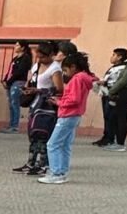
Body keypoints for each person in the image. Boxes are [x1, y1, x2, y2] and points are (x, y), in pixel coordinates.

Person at [39, 52, 95, 184]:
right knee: (64, 145)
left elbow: (74, 99)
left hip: (67, 115)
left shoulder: (77, 79)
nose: (64, 73)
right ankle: (61, 171)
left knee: (53, 144)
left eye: (65, 70)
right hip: (74, 115)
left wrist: (59, 102)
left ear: (73, 67)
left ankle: (56, 172)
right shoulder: (85, 77)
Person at [14, 42, 63, 175]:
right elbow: (32, 80)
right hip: (35, 104)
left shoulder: (55, 69)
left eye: (43, 57)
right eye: (38, 56)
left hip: (46, 106)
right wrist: (28, 89)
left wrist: (39, 90)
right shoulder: (37, 65)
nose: (40, 59)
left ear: (51, 55)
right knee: (33, 134)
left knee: (42, 134)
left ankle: (42, 164)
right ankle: (31, 162)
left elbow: (59, 89)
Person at [93, 48, 127, 146]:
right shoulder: (114, 67)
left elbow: (116, 81)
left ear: (119, 57)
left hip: (112, 94)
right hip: (105, 93)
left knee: (111, 116)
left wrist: (104, 82)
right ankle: (106, 136)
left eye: (114, 55)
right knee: (107, 116)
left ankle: (110, 137)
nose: (111, 57)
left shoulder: (122, 68)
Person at [1, 40, 31, 133]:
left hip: (18, 82)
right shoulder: (15, 58)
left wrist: (9, 81)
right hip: (11, 82)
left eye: (17, 45)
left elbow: (19, 72)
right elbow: (10, 70)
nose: (15, 46)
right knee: (11, 104)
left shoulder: (25, 58)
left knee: (15, 103)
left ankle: (15, 126)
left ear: (22, 47)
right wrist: (5, 80)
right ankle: (11, 124)